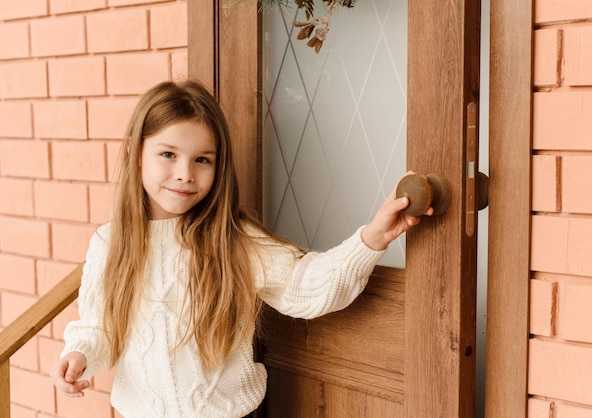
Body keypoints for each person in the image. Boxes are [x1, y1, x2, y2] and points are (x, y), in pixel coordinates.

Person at [50, 79, 433, 417]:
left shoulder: (234, 240)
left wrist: (373, 237)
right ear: (136, 152)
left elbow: (308, 286)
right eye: (168, 154)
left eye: (202, 160)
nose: (185, 172)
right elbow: (100, 327)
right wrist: (79, 356)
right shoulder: (110, 243)